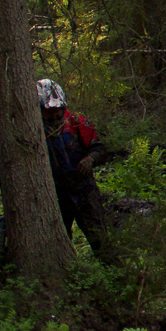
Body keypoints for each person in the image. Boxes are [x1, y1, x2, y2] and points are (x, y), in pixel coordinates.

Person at [37, 79, 111, 258]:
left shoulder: (76, 122)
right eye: (49, 111)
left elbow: (100, 149)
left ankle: (114, 278)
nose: (55, 115)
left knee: (101, 240)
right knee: (59, 245)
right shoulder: (34, 131)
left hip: (85, 191)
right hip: (56, 197)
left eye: (58, 109)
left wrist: (89, 159)